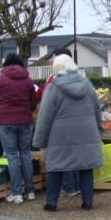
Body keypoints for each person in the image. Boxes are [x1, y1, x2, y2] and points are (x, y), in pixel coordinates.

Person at [32, 54, 103, 212]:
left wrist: (39, 141)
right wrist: (99, 130)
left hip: (60, 134)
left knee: (56, 166)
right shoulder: (87, 84)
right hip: (86, 131)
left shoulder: (53, 87)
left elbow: (45, 116)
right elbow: (96, 110)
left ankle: (51, 202)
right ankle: (87, 201)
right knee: (86, 166)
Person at [0, 53, 37, 203]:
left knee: (12, 157)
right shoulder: (28, 81)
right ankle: (30, 191)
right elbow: (33, 105)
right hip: (25, 122)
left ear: (5, 64)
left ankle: (16, 193)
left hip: (6, 122)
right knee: (25, 155)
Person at [37, 47, 80, 197]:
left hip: (60, 124)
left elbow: (45, 101)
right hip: (77, 123)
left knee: (64, 156)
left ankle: (69, 187)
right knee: (74, 155)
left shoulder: (54, 81)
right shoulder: (79, 78)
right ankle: (75, 185)